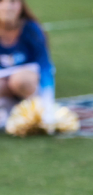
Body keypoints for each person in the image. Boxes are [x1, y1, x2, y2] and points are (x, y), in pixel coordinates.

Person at [0, 0, 55, 128]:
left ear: (21, 5)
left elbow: (45, 67)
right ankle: (9, 110)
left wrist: (48, 106)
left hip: (28, 81)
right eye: (2, 2)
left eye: (13, 1)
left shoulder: (32, 29)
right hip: (3, 83)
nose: (8, 7)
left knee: (21, 80)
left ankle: (32, 109)